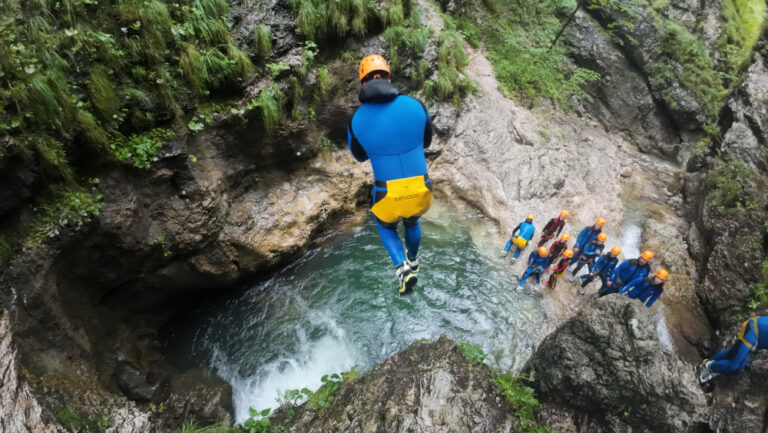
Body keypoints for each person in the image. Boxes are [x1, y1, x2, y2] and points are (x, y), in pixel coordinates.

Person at [347, 55, 433, 295]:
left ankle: (403, 269)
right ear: (388, 77)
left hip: (387, 192)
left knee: (385, 227)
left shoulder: (355, 120)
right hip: (421, 187)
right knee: (412, 221)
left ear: (362, 82)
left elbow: (359, 156)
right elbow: (427, 142)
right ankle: (413, 259)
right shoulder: (416, 105)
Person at [697, 316, 768, 384]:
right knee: (733, 366)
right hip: (753, 330)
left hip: (756, 327)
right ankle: (707, 367)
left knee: (735, 360)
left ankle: (707, 363)